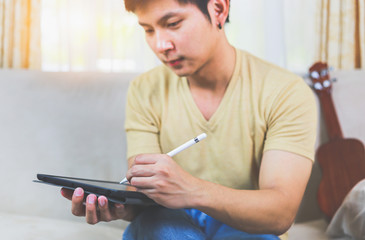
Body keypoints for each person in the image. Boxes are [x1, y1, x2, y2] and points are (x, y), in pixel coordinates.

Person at [61, 0, 317, 239]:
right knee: (158, 226)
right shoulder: (144, 90)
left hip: (246, 228)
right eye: (148, 30)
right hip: (167, 223)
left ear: (218, 9)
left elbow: (280, 213)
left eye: (173, 24)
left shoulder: (285, 91)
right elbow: (142, 194)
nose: (161, 45)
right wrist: (121, 208)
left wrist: (191, 190)